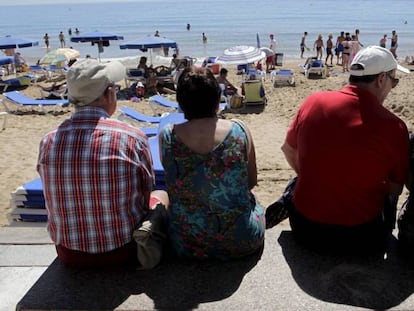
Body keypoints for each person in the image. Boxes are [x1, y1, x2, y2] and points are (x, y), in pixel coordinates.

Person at [273, 46, 410, 254]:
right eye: (394, 80)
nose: (393, 87)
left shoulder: (313, 102)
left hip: (305, 228)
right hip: (360, 237)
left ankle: (287, 199)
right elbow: (394, 189)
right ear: (381, 79)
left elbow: (288, 150)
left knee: (301, 178)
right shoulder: (394, 127)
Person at [37, 59, 169, 268]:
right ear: (109, 94)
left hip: (69, 254)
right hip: (124, 251)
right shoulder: (131, 137)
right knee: (161, 195)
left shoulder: (49, 141)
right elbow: (146, 193)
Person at [159, 66, 265, 260]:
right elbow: (250, 182)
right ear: (217, 101)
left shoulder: (167, 135)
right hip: (242, 241)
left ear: (181, 103)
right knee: (255, 200)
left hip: (186, 243)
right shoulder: (239, 131)